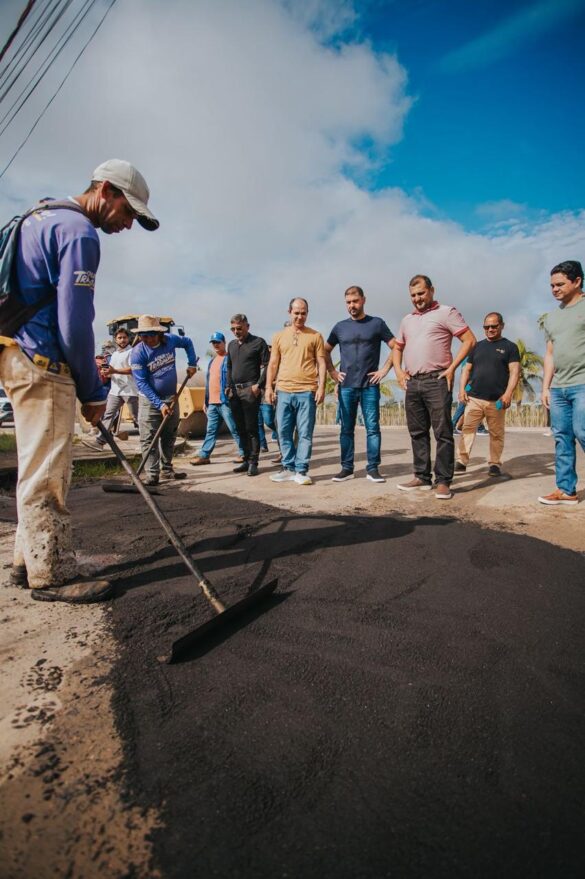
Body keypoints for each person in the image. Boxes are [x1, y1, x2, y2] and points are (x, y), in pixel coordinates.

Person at [0, 158, 158, 602]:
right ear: (104, 190)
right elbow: (74, 322)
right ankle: (51, 575)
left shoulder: (39, 216)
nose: (128, 225)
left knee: (36, 466)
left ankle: (27, 560)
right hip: (43, 362)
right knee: (48, 474)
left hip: (17, 355)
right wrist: (92, 390)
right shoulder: (79, 233)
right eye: (128, 212)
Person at [392, 274, 476, 499]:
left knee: (443, 433)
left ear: (431, 290)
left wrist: (452, 368)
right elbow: (397, 347)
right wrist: (399, 371)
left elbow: (469, 340)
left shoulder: (447, 313)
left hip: (437, 380)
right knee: (417, 432)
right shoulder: (406, 320)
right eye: (413, 295)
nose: (417, 298)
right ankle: (421, 476)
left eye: (421, 293)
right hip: (413, 383)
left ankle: (443, 481)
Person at [325, 285, 395, 483]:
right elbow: (324, 350)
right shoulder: (340, 327)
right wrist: (332, 371)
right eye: (348, 302)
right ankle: (346, 468)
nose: (352, 306)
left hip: (369, 386)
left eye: (355, 301)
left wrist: (384, 370)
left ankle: (373, 468)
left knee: (372, 428)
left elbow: (396, 346)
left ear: (363, 300)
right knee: (346, 429)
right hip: (346, 386)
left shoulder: (377, 324)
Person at [538, 260, 585, 506]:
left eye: (560, 284)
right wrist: (546, 387)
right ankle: (566, 490)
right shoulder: (552, 318)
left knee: (582, 431)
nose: (554, 289)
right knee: (562, 437)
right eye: (552, 285)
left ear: (577, 281)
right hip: (558, 388)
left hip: (582, 384)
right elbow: (550, 354)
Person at [130, 315, 197, 485]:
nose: (148, 339)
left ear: (159, 333)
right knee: (148, 438)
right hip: (149, 401)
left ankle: (167, 469)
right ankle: (152, 475)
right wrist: (159, 405)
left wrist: (192, 364)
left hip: (171, 398)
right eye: (143, 335)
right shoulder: (138, 352)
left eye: (151, 334)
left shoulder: (170, 340)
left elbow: (188, 342)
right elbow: (142, 383)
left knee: (169, 435)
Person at [266, 298, 326, 485]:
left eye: (303, 313)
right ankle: (288, 468)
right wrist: (269, 387)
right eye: (296, 312)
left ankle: (301, 471)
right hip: (283, 390)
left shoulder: (315, 336)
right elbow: (273, 363)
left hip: (306, 391)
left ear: (307, 313)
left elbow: (321, 363)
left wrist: (321, 387)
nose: (300, 316)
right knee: (283, 432)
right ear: (289, 312)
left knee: (305, 433)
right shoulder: (278, 336)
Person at [454, 313, 520, 477]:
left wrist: (508, 394)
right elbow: (466, 369)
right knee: (467, 429)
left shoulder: (510, 347)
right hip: (474, 398)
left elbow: (514, 372)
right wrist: (461, 390)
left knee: (496, 434)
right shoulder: (477, 346)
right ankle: (461, 461)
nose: (490, 329)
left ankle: (495, 464)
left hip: (496, 400)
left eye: (494, 326)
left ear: (501, 326)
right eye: (486, 327)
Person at [190, 332, 245, 465]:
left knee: (234, 428)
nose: (215, 345)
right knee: (211, 430)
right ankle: (204, 456)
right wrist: (206, 401)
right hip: (213, 403)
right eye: (213, 342)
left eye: (218, 342)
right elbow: (209, 383)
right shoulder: (212, 361)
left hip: (225, 402)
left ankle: (245, 453)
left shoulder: (230, 359)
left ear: (224, 343)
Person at [227, 313, 270, 477]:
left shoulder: (258, 342)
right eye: (233, 329)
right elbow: (229, 367)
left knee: (251, 428)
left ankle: (253, 462)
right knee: (240, 428)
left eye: (239, 328)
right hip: (235, 393)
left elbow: (268, 365)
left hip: (250, 391)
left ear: (247, 326)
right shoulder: (231, 345)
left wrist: (259, 385)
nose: (236, 331)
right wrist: (229, 387)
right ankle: (245, 459)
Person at [82, 327, 139, 450]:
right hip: (115, 390)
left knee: (137, 417)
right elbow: (112, 371)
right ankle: (100, 442)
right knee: (108, 415)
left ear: (128, 338)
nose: (122, 340)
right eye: (119, 338)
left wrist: (114, 370)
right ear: (115, 340)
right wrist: (107, 373)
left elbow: (133, 369)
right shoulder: (115, 355)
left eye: (124, 337)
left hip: (130, 390)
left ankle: (151, 440)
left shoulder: (133, 352)